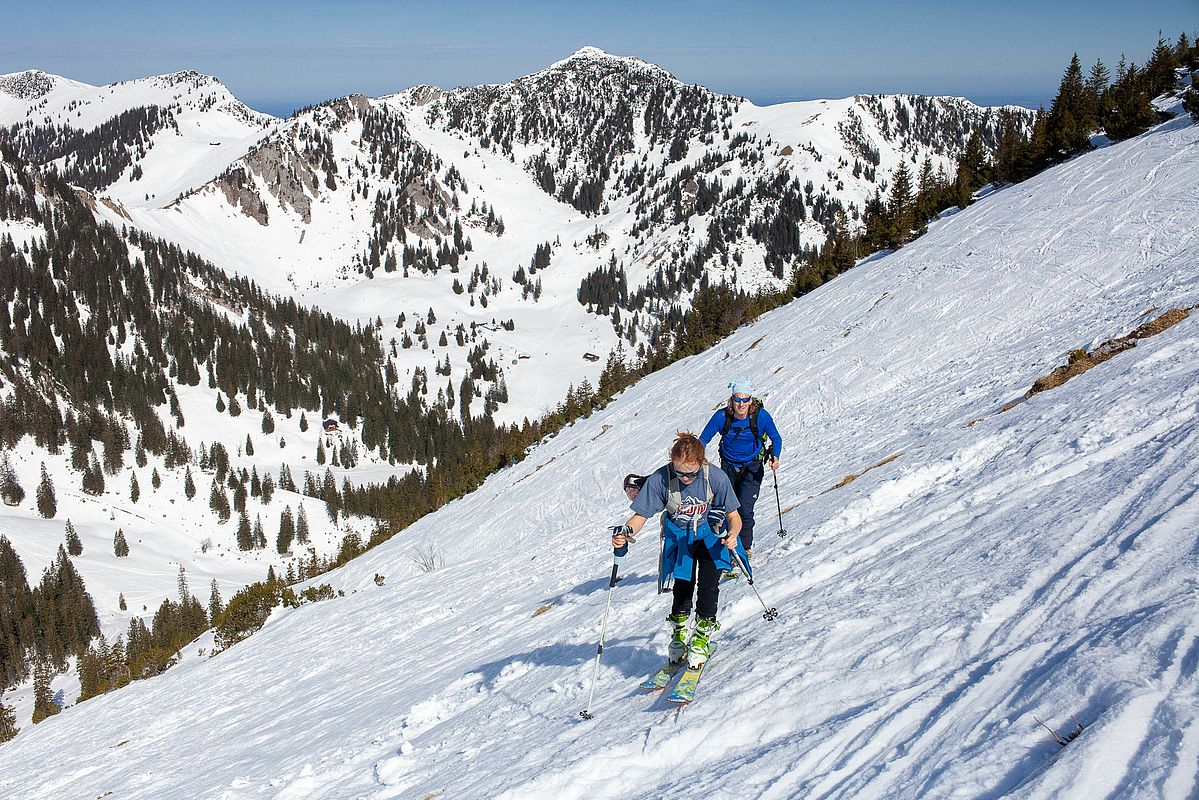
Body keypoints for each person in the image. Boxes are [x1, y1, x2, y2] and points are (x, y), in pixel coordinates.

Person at [610, 433, 743, 668]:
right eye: (680, 472)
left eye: (691, 473)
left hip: (710, 536)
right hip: (680, 538)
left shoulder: (715, 477)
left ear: (701, 463)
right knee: (682, 585)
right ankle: (679, 634)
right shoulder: (661, 479)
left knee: (709, 585)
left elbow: (734, 516)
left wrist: (732, 535)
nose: (685, 478)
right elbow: (641, 515)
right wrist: (626, 533)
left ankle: (702, 635)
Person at [699, 379, 783, 558]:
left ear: (751, 400)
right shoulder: (722, 417)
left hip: (752, 467)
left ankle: (744, 549)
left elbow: (776, 438)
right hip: (728, 467)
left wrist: (775, 456)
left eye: (745, 400)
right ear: (731, 400)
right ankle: (725, 545)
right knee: (724, 508)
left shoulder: (761, 416)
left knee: (744, 508)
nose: (741, 404)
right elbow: (703, 439)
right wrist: (696, 458)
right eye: (737, 399)